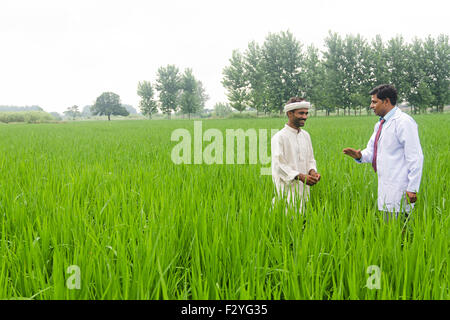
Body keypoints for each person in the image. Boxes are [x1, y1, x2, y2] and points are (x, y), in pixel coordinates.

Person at [343, 84, 423, 220]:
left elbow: (415, 157)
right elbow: (372, 151)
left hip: (401, 187)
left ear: (386, 101)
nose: (371, 106)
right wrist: (360, 155)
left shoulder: (403, 122)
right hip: (387, 187)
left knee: (400, 229)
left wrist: (412, 187)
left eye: (374, 102)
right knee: (389, 229)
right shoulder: (380, 124)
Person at [271, 97, 321, 214]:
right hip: (287, 188)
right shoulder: (279, 137)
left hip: (304, 188)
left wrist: (313, 172)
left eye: (306, 113)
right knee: (287, 217)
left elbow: (310, 159)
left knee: (302, 217)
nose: (305, 117)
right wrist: (300, 176)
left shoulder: (306, 135)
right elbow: (279, 166)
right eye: (301, 113)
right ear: (290, 113)